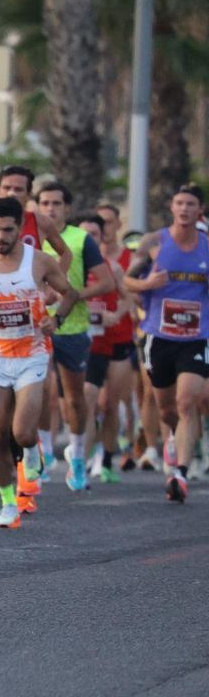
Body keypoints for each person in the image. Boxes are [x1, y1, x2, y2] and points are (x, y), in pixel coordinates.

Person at [0, 197, 77, 529]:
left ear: (21, 228)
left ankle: (32, 452)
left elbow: (70, 293)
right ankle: (8, 503)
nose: (1, 237)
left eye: (7, 230)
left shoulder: (40, 262)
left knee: (21, 431)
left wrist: (56, 320)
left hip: (32, 354)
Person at [124, 185, 209, 503]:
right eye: (179, 203)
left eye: (190, 204)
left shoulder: (207, 246)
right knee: (167, 407)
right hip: (159, 337)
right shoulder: (154, 242)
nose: (184, 209)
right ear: (172, 208)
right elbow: (127, 280)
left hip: (196, 337)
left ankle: (181, 473)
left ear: (199, 211)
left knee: (188, 401)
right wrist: (146, 283)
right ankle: (173, 436)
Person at [33, 182, 114, 491]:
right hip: (38, 327)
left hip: (74, 327)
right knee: (40, 391)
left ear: (66, 207)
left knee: (74, 400)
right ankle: (40, 457)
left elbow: (106, 283)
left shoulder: (81, 240)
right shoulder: (30, 238)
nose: (50, 208)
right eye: (45, 203)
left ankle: (78, 457)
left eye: (56, 203)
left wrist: (73, 295)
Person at [78, 210, 133, 484]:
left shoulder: (113, 267)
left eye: (94, 235)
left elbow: (128, 298)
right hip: (88, 343)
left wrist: (116, 315)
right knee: (89, 400)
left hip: (116, 340)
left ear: (101, 238)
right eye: (84, 235)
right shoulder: (72, 267)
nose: (89, 240)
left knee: (110, 403)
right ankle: (83, 459)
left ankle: (107, 457)